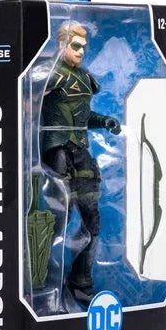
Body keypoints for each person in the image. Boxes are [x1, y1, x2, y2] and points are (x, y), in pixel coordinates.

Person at [40, 21, 121, 304]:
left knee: (91, 220)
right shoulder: (50, 75)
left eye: (84, 47)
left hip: (81, 153)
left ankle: (80, 280)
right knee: (55, 219)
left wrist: (105, 121)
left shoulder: (85, 77)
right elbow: (27, 102)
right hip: (57, 151)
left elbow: (84, 116)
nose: (81, 51)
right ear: (62, 44)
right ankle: (43, 278)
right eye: (76, 46)